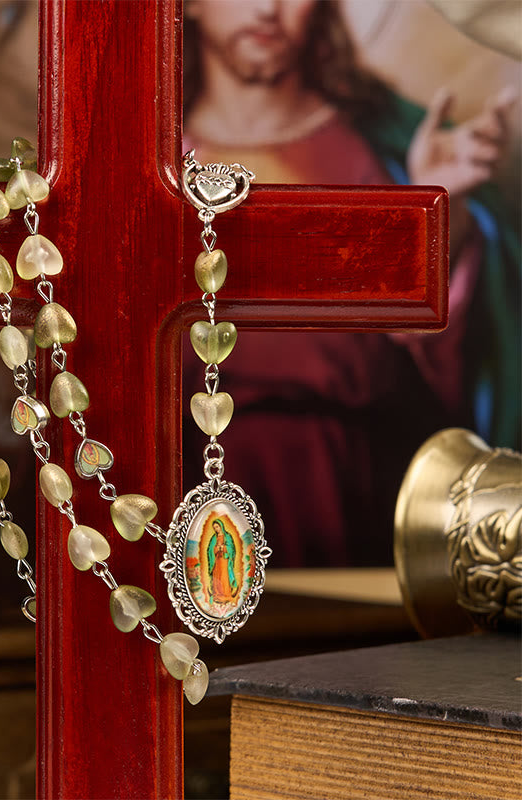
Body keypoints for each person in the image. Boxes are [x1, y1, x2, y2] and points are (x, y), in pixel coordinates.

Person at [182, 0, 520, 567]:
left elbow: (458, 352)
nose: (267, 9)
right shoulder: (148, 160)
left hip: (356, 485)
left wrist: (438, 214)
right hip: (188, 483)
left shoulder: (385, 150)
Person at [207, 519, 239, 606]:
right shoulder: (214, 538)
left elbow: (232, 549)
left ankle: (226, 595)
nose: (216, 529)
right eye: (214, 528)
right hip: (216, 561)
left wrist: (223, 548)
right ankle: (217, 595)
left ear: (221, 526)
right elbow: (210, 550)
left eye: (217, 527)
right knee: (217, 577)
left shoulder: (227, 536)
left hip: (224, 560)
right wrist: (216, 548)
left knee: (224, 577)